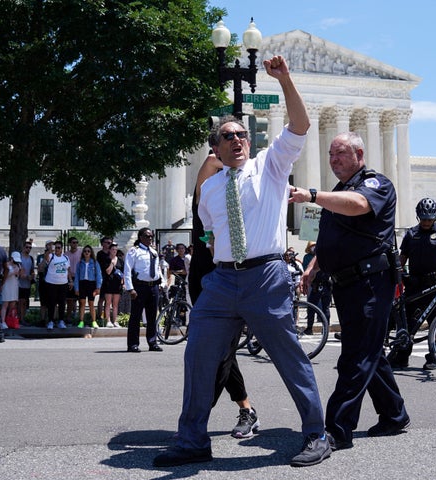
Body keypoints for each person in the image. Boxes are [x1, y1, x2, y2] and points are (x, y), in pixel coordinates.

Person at [153, 55, 330, 469]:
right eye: (228, 136)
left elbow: (300, 126)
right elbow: (212, 237)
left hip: (265, 276)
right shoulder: (210, 190)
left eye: (242, 135)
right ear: (214, 148)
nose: (237, 140)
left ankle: (316, 434)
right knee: (198, 356)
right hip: (221, 282)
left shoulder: (269, 166)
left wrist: (285, 81)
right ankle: (192, 439)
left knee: (288, 356)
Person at [293, 131, 410, 453]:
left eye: (340, 153)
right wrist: (313, 266)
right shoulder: (339, 191)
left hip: (370, 283)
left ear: (359, 153)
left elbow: (359, 206)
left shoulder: (375, 184)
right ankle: (394, 414)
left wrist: (312, 195)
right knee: (369, 352)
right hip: (346, 282)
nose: (333, 160)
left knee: (356, 356)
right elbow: (329, 234)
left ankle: (337, 430)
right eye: (331, 154)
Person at [187, 142, 259, 439]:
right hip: (201, 281)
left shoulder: (239, 211)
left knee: (220, 351)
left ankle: (195, 422)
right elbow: (205, 170)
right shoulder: (207, 198)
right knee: (220, 351)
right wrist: (224, 162)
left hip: (228, 281)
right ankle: (246, 409)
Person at [392, 197, 436, 369]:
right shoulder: (411, 234)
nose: (427, 222)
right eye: (423, 219)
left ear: (435, 217)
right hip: (415, 284)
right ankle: (402, 356)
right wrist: (398, 269)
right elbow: (403, 256)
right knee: (408, 322)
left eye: (429, 219)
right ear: (418, 217)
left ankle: (433, 358)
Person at [123, 228, 164, 352]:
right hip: (139, 287)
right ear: (140, 237)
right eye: (147, 236)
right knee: (136, 317)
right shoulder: (134, 251)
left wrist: (161, 282)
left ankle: (152, 342)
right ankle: (133, 344)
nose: (150, 238)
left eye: (151, 236)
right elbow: (127, 270)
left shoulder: (154, 252)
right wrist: (130, 289)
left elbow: (157, 269)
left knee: (152, 316)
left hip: (153, 287)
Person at [39, 240, 70, 330]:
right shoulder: (51, 256)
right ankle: (50, 321)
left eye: (58, 247)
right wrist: (50, 250)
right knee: (51, 303)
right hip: (51, 283)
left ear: (61, 249)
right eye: (55, 247)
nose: (57, 249)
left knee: (62, 303)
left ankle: (61, 320)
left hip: (63, 283)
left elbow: (68, 270)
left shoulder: (66, 258)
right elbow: (46, 258)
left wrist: (70, 280)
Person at [73, 245, 102, 328]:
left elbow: (99, 276)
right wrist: (76, 288)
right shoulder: (79, 263)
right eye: (85, 251)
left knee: (91, 303)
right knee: (82, 303)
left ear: (91, 252)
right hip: (82, 283)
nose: (87, 252)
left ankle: (94, 321)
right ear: (83, 253)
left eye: (88, 251)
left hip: (91, 284)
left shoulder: (95, 263)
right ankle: (81, 321)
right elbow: (77, 277)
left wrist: (98, 287)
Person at [102, 243, 124, 328]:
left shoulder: (121, 260)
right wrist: (111, 263)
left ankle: (115, 321)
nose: (114, 251)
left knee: (115, 304)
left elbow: (123, 272)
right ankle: (108, 321)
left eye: (116, 250)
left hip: (117, 284)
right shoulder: (106, 259)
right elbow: (107, 271)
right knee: (108, 303)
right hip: (108, 284)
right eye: (113, 250)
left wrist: (123, 282)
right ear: (109, 250)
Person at [0, 251, 22, 329]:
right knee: (5, 304)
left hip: (14, 286)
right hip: (7, 285)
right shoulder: (6, 265)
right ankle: (2, 321)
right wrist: (12, 272)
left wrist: (18, 272)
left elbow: (19, 276)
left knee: (12, 304)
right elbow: (3, 275)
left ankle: (9, 320)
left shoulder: (18, 265)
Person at [18, 241, 35, 324]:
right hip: (18, 283)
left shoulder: (31, 258)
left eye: (30, 247)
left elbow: (32, 270)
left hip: (27, 284)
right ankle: (19, 318)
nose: (28, 249)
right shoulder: (19, 257)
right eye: (27, 247)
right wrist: (23, 275)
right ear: (23, 247)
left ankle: (23, 318)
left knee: (24, 302)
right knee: (20, 301)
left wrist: (32, 275)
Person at [65, 237, 82, 324]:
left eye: (76, 242)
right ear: (70, 243)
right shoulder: (66, 254)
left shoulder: (81, 253)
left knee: (80, 299)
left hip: (79, 278)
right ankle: (68, 317)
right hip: (69, 278)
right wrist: (70, 278)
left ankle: (79, 318)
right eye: (73, 242)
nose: (75, 244)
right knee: (70, 299)